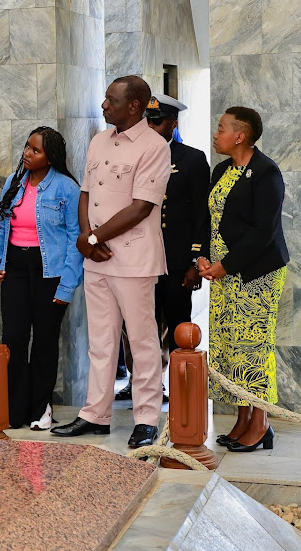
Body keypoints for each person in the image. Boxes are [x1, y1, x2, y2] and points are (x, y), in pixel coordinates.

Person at [51, 75, 171, 448]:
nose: (103, 105)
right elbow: (87, 192)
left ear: (134, 106)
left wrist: (92, 239)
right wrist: (87, 239)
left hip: (133, 258)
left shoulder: (154, 146)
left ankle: (147, 418)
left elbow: (141, 207)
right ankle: (95, 414)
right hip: (97, 257)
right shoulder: (99, 140)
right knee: (100, 341)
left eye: (111, 100)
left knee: (142, 340)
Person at [197, 107, 288, 452]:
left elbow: (263, 231)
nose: (215, 133)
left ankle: (261, 423)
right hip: (224, 274)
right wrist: (205, 257)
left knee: (252, 346)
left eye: (221, 128)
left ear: (240, 135)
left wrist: (226, 264)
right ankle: (242, 417)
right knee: (228, 343)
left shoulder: (266, 173)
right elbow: (213, 219)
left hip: (256, 274)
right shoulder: (222, 169)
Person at [0, 127, 83, 431]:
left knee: (44, 341)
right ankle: (16, 409)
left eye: (35, 150)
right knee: (13, 338)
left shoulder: (66, 188)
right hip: (15, 268)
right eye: (27, 147)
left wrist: (67, 285)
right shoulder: (15, 183)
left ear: (50, 156)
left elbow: (74, 238)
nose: (27, 153)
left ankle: (42, 408)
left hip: (49, 272)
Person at [115, 94, 210, 403]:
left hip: (175, 260)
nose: (151, 126)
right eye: (147, 121)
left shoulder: (191, 159)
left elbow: (201, 214)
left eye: (156, 121)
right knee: (137, 324)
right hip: (138, 256)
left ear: (173, 123)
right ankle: (140, 380)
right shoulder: (130, 154)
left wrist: (196, 261)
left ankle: (180, 384)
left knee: (177, 324)